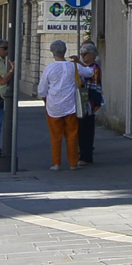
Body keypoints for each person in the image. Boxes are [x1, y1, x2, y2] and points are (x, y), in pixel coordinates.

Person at [36, 40, 95, 171]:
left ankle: (57, 163)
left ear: (52, 53)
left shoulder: (49, 69)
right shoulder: (72, 66)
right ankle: (73, 163)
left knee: (55, 136)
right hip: (70, 106)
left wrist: (46, 98)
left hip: (53, 107)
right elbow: (90, 73)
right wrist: (79, 62)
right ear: (65, 51)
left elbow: (41, 90)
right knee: (72, 135)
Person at [76, 43, 103, 166]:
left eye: (85, 54)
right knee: (82, 129)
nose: (83, 57)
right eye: (81, 55)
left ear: (92, 54)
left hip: (91, 100)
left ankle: (86, 156)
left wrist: (78, 63)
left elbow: (90, 73)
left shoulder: (94, 67)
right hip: (84, 99)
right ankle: (83, 154)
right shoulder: (85, 67)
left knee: (86, 129)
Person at [0, 39, 13, 158]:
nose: (7, 51)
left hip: (1, 95)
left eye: (8, 48)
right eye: (4, 48)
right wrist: (11, 71)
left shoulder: (1, 61)